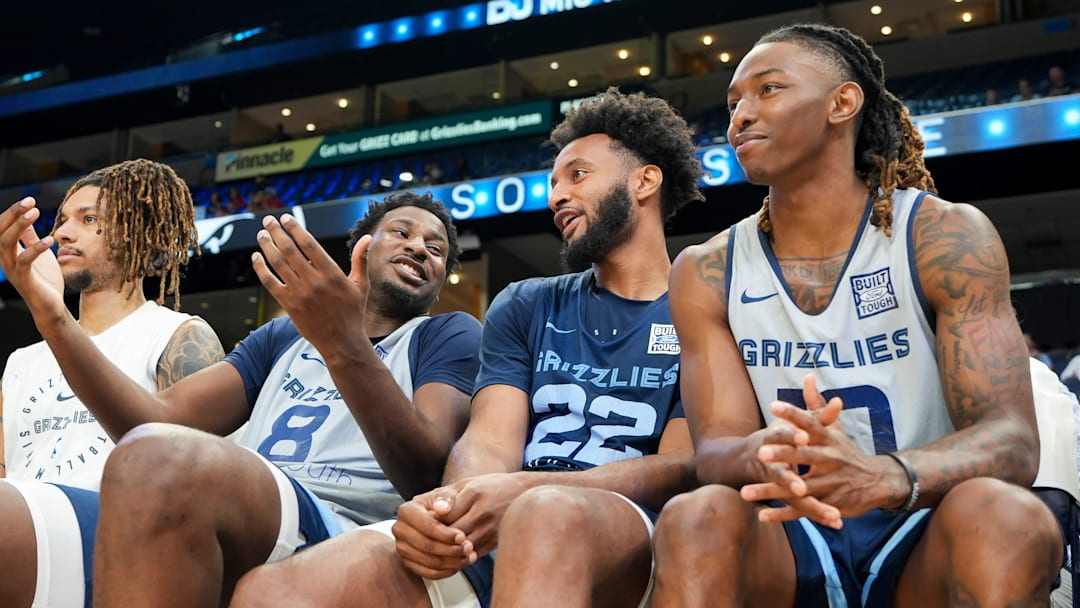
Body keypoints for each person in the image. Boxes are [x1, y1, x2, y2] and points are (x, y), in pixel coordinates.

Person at [228, 87, 703, 608]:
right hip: (508, 513)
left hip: (627, 524)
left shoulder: (698, 301)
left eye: (578, 175)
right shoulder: (526, 302)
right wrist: (450, 508)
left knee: (547, 514)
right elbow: (489, 443)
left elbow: (682, 465)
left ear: (645, 180)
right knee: (268, 591)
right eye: (553, 182)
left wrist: (521, 493)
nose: (556, 196)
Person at [652, 23, 1065, 607]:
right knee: (696, 515)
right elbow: (716, 450)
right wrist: (766, 453)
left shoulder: (943, 235)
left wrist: (882, 477)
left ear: (842, 103)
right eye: (734, 101)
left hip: (919, 518)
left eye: (768, 90)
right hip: (788, 534)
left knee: (1007, 516)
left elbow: (1013, 441)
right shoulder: (704, 268)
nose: (740, 115)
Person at [0, 189, 482, 607]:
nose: (419, 247)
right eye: (401, 233)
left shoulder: (447, 333)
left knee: (162, 457)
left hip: (349, 527)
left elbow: (427, 473)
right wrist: (52, 316)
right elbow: (151, 422)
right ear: (363, 246)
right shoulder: (284, 336)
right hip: (248, 511)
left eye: (436, 249)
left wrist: (343, 343)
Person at [0, 158, 224, 608]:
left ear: (141, 235)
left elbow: (202, 485)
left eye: (90, 221)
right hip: (22, 542)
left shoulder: (179, 337)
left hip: (117, 545)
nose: (62, 233)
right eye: (62, 221)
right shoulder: (22, 361)